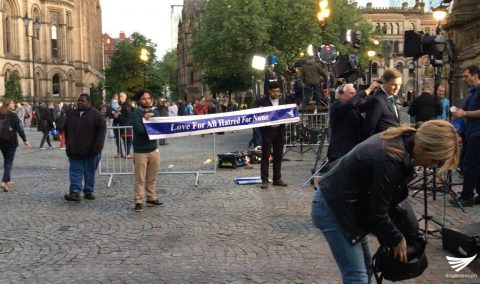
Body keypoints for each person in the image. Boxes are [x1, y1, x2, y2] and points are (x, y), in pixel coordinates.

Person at [312, 120, 459, 283]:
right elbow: (378, 213)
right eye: (436, 161)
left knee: (365, 271)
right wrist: (396, 239)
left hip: (345, 205)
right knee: (357, 276)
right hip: (334, 207)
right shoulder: (392, 157)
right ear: (425, 147)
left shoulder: (403, 140)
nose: (434, 167)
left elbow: (382, 202)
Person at [64, 94, 106, 201]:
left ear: (89, 102)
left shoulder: (97, 115)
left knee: (89, 172)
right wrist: (68, 146)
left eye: (82, 101)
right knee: (75, 171)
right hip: (74, 150)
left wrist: (97, 149)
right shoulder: (72, 114)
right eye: (78, 101)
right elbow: (66, 130)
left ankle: (88, 191)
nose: (79, 103)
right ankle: (75, 192)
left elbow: (101, 133)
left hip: (91, 151)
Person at [451, 65, 480, 206]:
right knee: (475, 165)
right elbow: (465, 110)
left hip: (477, 134)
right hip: (471, 133)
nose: (464, 79)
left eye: (466, 76)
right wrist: (459, 112)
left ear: (476, 76)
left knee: (470, 165)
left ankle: (467, 196)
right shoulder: (471, 92)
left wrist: (465, 114)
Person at [327, 82, 379, 162]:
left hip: (352, 150)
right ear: (340, 95)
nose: (354, 96)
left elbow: (369, 104)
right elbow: (351, 103)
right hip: (340, 152)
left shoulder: (354, 107)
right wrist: (369, 89)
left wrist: (378, 92)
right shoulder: (336, 107)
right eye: (351, 93)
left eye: (355, 93)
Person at [132, 89, 164, 212]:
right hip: (140, 151)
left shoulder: (155, 112)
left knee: (152, 177)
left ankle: (151, 197)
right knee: (140, 178)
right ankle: (138, 200)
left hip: (154, 149)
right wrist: (144, 119)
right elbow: (140, 130)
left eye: (149, 98)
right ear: (139, 100)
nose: (147, 100)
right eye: (144, 98)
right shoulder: (135, 114)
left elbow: (158, 127)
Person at [255, 81, 287, 189]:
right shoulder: (262, 101)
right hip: (267, 132)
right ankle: (264, 180)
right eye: (274, 91)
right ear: (269, 91)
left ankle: (277, 178)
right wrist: (261, 131)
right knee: (266, 155)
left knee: (278, 155)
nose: (276, 93)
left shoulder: (282, 101)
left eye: (278, 91)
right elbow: (256, 116)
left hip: (279, 131)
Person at [0, 99, 31, 192]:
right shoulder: (13, 115)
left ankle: (8, 180)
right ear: (8, 105)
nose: (14, 104)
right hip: (11, 141)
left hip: (1, 141)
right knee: (9, 161)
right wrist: (25, 140)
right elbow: (19, 129)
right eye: (12, 103)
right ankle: (4, 181)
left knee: (6, 160)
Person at [363, 69, 402, 138]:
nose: (397, 88)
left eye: (399, 84)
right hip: (380, 144)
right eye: (393, 84)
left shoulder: (392, 97)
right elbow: (369, 128)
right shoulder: (377, 100)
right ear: (384, 82)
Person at [113, 92, 133, 158]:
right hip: (119, 124)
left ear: (125, 97)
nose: (119, 98)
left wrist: (118, 116)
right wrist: (115, 115)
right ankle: (120, 153)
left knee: (127, 139)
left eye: (121, 97)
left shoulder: (127, 105)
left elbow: (127, 115)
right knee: (119, 139)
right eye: (119, 96)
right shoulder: (120, 104)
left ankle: (127, 153)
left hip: (126, 125)